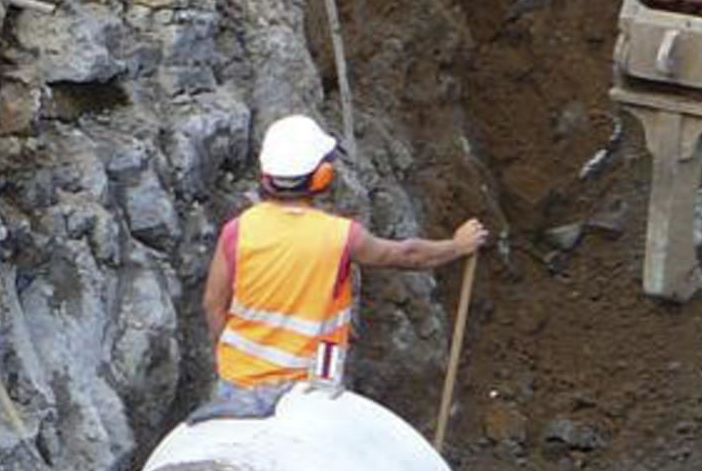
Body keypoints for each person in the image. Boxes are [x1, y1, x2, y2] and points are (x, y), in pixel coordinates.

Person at [200, 114, 488, 412]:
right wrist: (457, 246)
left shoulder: (237, 230)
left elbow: (213, 304)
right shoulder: (341, 236)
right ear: (323, 176)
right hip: (309, 387)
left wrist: (234, 357)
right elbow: (407, 255)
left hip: (238, 382)